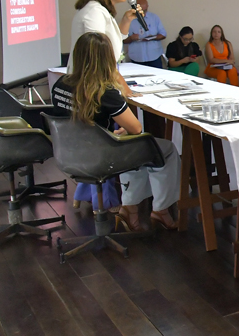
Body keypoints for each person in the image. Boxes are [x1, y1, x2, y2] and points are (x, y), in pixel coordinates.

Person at [52, 32, 180, 231]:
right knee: (166, 148)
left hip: (68, 155)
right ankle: (161, 209)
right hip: (100, 155)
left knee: (131, 142)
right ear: (107, 59)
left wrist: (110, 134)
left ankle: (130, 209)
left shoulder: (60, 85)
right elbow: (136, 127)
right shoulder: (104, 92)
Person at [69, 0, 143, 73]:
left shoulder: (100, 9)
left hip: (98, 76)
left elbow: (114, 39)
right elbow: (98, 52)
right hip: (91, 79)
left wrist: (127, 20)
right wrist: (124, 87)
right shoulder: (94, 11)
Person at [123, 0, 167, 68]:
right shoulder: (128, 20)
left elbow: (163, 34)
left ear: (147, 7)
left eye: (145, 10)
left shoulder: (154, 18)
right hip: (137, 58)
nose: (143, 13)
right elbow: (123, 40)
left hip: (154, 57)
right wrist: (131, 38)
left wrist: (153, 37)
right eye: (140, 11)